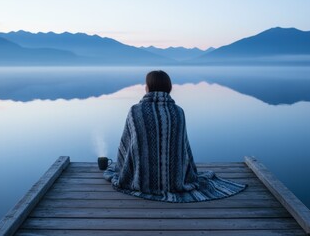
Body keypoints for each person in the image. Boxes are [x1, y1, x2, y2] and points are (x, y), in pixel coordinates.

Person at [104, 70, 246, 202]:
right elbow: (184, 149)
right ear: (169, 88)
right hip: (176, 180)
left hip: (141, 180)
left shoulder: (135, 112)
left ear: (148, 87)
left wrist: (122, 170)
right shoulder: (178, 112)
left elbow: (127, 146)